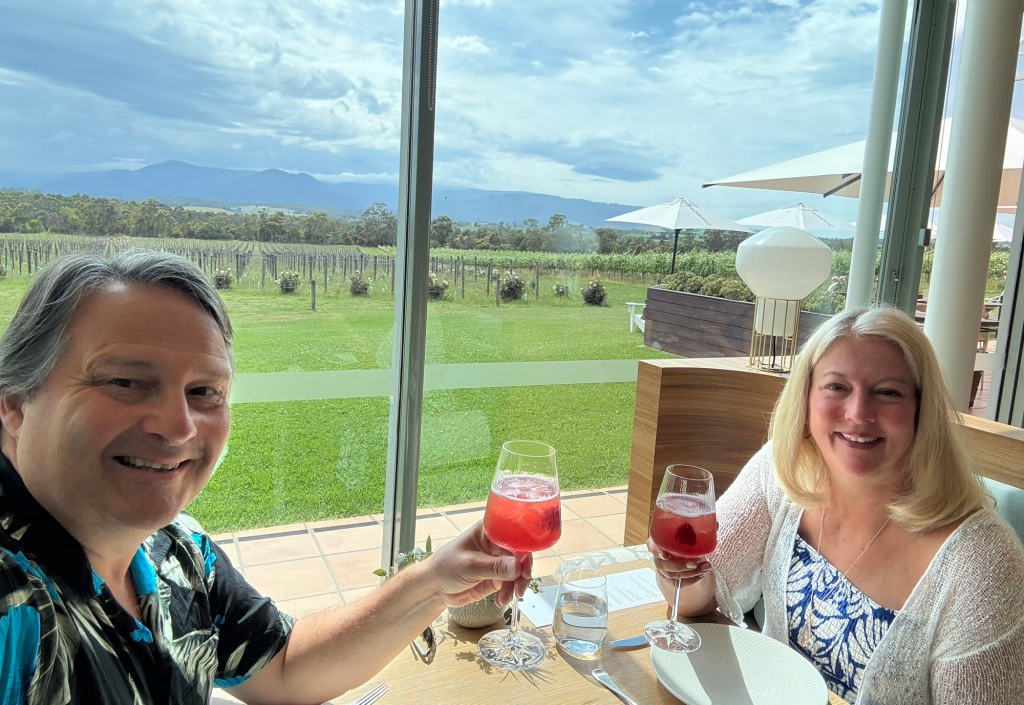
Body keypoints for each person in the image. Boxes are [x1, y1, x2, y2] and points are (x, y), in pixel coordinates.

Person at [0, 250, 531, 704]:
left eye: (204, 392)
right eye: (124, 382)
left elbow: (283, 667)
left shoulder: (177, 551)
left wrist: (432, 581)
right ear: (16, 403)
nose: (179, 427)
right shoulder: (12, 607)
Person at [648, 306, 1024, 704]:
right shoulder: (784, 470)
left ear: (921, 410)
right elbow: (701, 597)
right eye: (837, 387)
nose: (858, 413)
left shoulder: (983, 564)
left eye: (888, 392)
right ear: (806, 397)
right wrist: (681, 575)